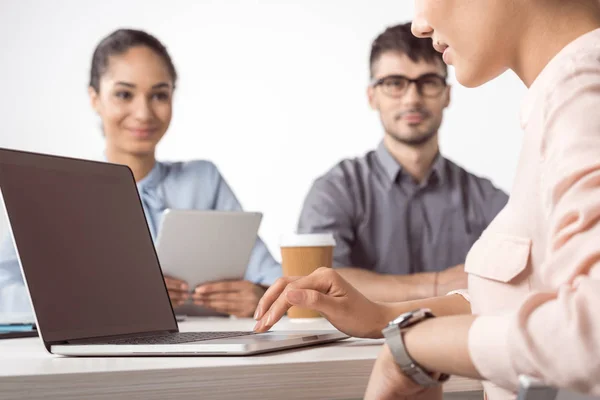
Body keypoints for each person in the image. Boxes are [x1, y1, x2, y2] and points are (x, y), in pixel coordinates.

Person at [254, 1, 600, 399]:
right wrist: (388, 318)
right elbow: (534, 298)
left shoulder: (581, 91)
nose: (420, 24)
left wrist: (414, 347)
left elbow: (590, 332)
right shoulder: (563, 96)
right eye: (395, 83)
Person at [0, 29, 281, 318]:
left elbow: (272, 276)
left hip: (203, 350)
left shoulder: (203, 181)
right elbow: (3, 290)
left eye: (159, 95)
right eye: (124, 94)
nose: (144, 113)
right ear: (95, 98)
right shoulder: (55, 192)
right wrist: (102, 300)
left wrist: (260, 295)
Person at [297, 23, 507, 303]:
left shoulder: (485, 198)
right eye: (395, 83)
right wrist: (438, 285)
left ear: (447, 94)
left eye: (428, 82)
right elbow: (316, 281)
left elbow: (527, 274)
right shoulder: (335, 190)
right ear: (372, 96)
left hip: (454, 344)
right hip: (354, 347)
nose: (412, 99)